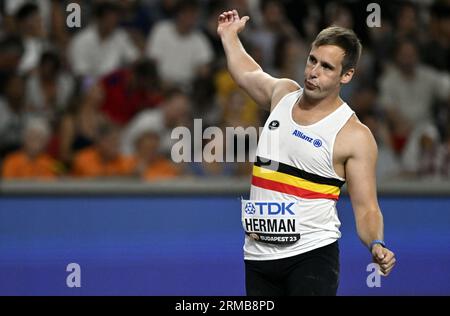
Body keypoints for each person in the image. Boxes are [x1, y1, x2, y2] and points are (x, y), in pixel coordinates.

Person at [217, 10, 396, 296]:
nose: (313, 72)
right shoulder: (282, 96)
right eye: (312, 60)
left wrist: (376, 243)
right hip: (258, 256)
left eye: (327, 67)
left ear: (347, 75)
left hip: (312, 257)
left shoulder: (354, 135)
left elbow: (367, 208)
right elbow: (247, 72)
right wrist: (229, 36)